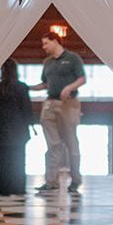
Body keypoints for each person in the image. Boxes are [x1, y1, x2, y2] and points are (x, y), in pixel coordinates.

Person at [35, 31, 86, 195]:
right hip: (50, 103)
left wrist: (69, 87)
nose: (44, 47)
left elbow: (82, 79)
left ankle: (75, 179)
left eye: (46, 44)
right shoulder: (47, 62)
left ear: (55, 41)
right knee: (53, 144)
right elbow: (45, 83)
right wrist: (27, 88)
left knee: (71, 142)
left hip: (68, 104)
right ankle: (51, 181)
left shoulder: (73, 58)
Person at [0, 60, 33, 196]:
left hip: (1, 129)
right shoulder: (21, 87)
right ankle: (18, 187)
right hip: (18, 129)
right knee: (18, 159)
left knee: (3, 159)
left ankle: (4, 188)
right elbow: (27, 110)